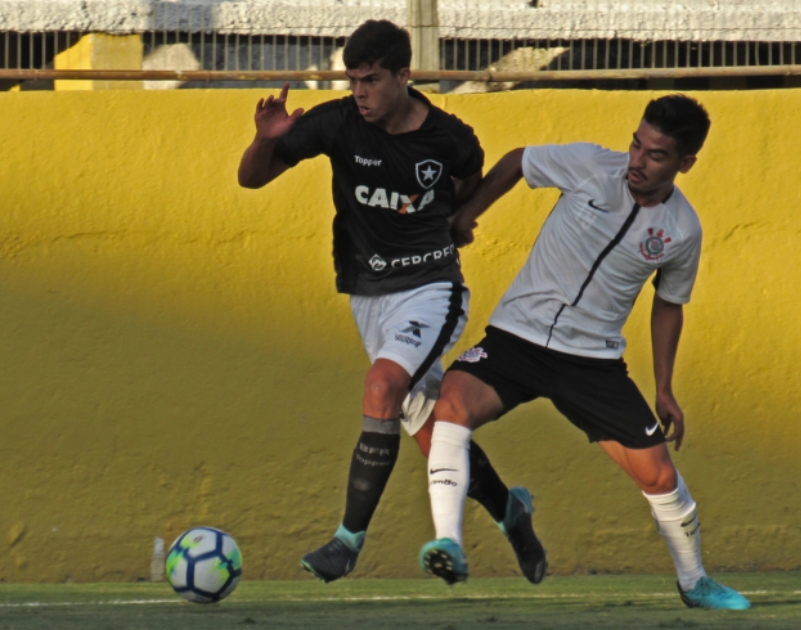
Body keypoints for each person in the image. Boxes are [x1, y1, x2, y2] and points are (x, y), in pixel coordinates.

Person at [237, 20, 546, 584]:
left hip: (432, 289)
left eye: (372, 80)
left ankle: (347, 542)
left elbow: (466, 185)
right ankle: (511, 512)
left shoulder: (450, 139)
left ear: (405, 76)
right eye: (353, 80)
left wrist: (458, 222)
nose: (360, 92)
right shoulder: (335, 122)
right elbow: (250, 181)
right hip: (367, 297)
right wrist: (265, 139)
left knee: (381, 388)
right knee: (434, 437)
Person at [418, 95, 751, 610]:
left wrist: (664, 387)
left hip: (591, 363)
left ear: (685, 164)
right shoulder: (590, 166)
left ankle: (695, 582)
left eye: (656, 155)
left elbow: (669, 305)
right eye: (637, 144)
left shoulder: (683, 230)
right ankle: (448, 542)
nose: (637, 160)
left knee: (660, 476)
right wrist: (467, 215)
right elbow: (516, 162)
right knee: (450, 409)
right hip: (516, 339)